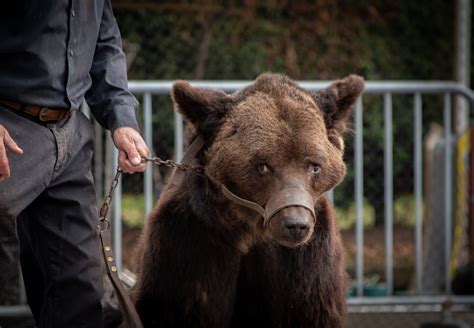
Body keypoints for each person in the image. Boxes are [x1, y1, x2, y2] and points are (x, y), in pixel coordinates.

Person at [0, 1, 149, 327]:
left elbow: (104, 44)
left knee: (80, 287)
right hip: (7, 129)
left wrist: (121, 117)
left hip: (70, 136)